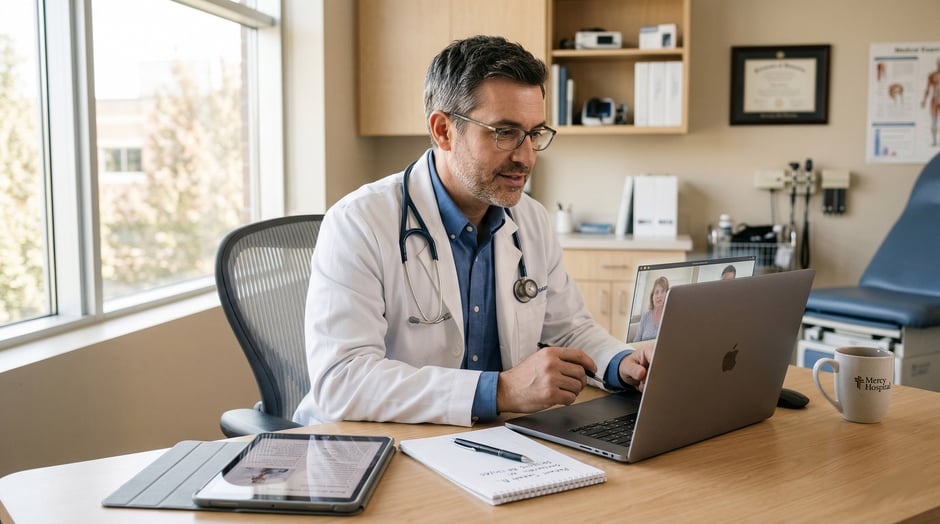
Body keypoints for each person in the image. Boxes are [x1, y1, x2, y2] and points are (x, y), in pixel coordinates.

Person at [292, 35, 652, 427]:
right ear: (443, 130)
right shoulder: (359, 223)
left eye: (534, 134)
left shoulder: (530, 220)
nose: (525, 156)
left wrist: (622, 363)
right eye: (505, 132)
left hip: (494, 439)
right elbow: (342, 380)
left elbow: (568, 330)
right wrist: (499, 391)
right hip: (377, 441)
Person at [632, 276, 669, 342]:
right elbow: (637, 339)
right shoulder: (645, 316)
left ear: (667, 295)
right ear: (652, 296)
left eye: (663, 291)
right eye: (656, 292)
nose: (659, 296)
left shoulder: (669, 317)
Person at [923, 57, 940, 147]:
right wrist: (924, 100)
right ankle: (934, 141)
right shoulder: (932, 75)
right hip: (934, 100)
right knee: (934, 120)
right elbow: (927, 89)